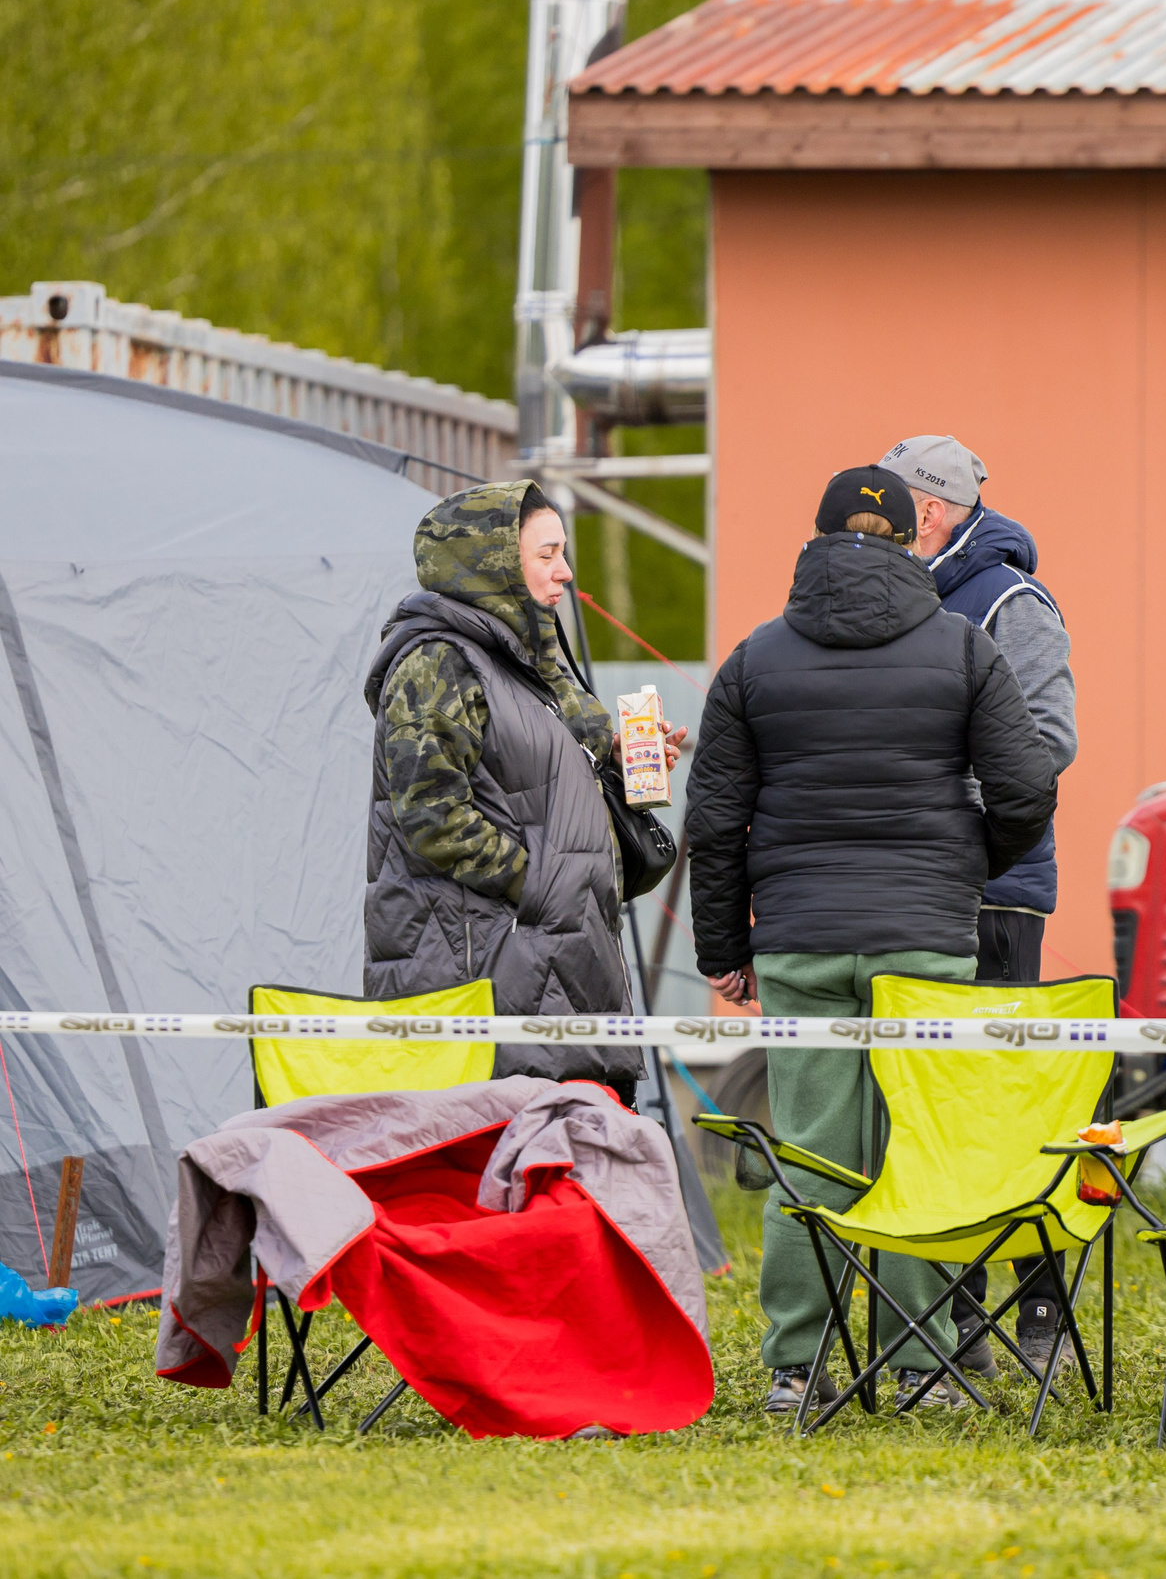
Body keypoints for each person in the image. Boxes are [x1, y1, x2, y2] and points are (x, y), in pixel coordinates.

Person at [684, 467, 1057, 1415]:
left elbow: (716, 820)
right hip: (926, 944)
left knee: (808, 1150)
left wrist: (725, 949)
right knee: (916, 1146)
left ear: (813, 543)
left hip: (802, 943)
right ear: (909, 543)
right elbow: (1026, 789)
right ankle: (923, 1363)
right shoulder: (962, 651)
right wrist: (962, 870)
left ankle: (798, 1366)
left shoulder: (753, 660)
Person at [364, 479, 679, 1101]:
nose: (564, 572)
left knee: (572, 1167)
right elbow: (431, 816)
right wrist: (543, 883)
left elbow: (544, 799)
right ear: (494, 563)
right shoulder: (439, 662)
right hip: (486, 967)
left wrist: (621, 769)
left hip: (561, 956)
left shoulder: (536, 660)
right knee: (503, 1173)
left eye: (564, 553)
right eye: (546, 555)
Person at [879, 432, 1081, 1371]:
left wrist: (924, 794)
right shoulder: (903, 593)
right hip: (919, 887)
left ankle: (1036, 1312)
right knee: (936, 1105)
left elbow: (1045, 743)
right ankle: (958, 1318)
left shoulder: (1012, 601)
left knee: (1004, 1104)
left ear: (927, 509)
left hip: (995, 892)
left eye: (885, 503)